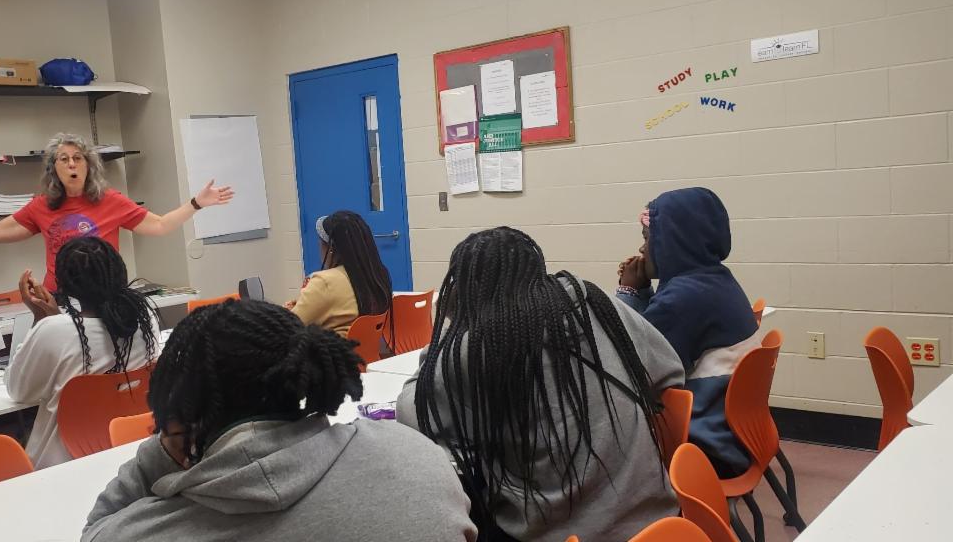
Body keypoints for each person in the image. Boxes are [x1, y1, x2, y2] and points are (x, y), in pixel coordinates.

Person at [82, 300, 476, 542]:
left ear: (182, 415)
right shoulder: (418, 454)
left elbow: (97, 530)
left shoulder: (151, 531)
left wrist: (168, 441)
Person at [397, 227, 684, 541]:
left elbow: (413, 414)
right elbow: (669, 370)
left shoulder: (477, 347)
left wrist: (453, 331)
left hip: (563, 534)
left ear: (465, 289)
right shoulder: (595, 300)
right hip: (662, 520)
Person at [0, 132, 234, 291]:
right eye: (64, 159)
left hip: (105, 298)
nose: (72, 165)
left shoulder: (111, 201)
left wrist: (196, 204)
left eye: (78, 159)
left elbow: (160, 226)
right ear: (54, 169)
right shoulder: (42, 206)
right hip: (60, 300)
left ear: (89, 166)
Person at [615, 187, 760, 478]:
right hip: (732, 433)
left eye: (647, 239)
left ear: (673, 242)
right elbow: (655, 336)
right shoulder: (711, 279)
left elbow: (631, 366)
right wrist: (644, 292)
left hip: (704, 447)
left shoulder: (683, 297)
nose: (642, 249)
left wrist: (628, 292)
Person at [4, 236, 160, 469]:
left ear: (64, 285)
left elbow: (18, 391)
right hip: (129, 451)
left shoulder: (53, 330)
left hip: (64, 465)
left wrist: (40, 320)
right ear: (120, 272)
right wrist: (54, 319)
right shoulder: (144, 320)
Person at [285, 211, 392, 337]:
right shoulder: (378, 274)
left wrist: (285, 313)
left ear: (330, 248)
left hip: (330, 348)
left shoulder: (324, 282)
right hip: (366, 349)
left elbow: (289, 327)